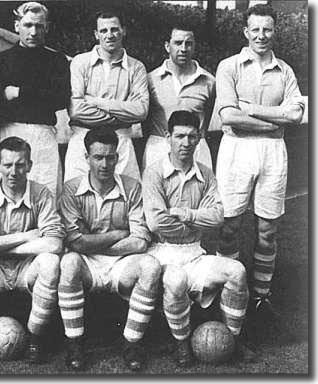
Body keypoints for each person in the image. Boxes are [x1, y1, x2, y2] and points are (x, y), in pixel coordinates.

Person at [214, 5, 304, 321]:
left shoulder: (286, 70)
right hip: (236, 150)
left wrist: (250, 109)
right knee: (230, 225)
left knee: (268, 229)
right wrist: (273, 119)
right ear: (246, 32)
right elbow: (228, 116)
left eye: (267, 29)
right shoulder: (229, 66)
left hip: (273, 152)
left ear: (274, 31)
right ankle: (228, 291)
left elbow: (296, 114)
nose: (261, 35)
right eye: (255, 29)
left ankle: (260, 299)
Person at [142, 110, 254, 366]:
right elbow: (156, 222)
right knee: (176, 280)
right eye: (179, 136)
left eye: (192, 136)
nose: (186, 142)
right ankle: (181, 344)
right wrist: (194, 222)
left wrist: (186, 215)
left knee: (236, 271)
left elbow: (217, 217)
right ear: (168, 137)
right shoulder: (153, 173)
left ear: (200, 138)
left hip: (194, 252)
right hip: (161, 252)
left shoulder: (205, 172)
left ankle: (232, 340)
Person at [58, 129, 161, 371]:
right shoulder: (72, 190)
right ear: (87, 157)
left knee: (150, 265)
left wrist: (94, 242)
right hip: (87, 263)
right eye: (98, 157)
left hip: (120, 264)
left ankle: (132, 343)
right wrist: (116, 234)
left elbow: (139, 242)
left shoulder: (132, 187)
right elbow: (75, 243)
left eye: (110, 157)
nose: (105, 164)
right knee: (69, 263)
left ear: (117, 157)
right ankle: (74, 343)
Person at [0, 136, 64, 364]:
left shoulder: (41, 193)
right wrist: (24, 237)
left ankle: (35, 339)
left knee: (50, 262)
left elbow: (55, 243)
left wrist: (2, 245)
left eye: (19, 164)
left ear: (29, 165)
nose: (13, 171)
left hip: (27, 268)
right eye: (7, 165)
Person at [0, 2, 70, 199]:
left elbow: (59, 99)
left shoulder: (57, 61)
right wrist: (40, 94)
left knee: (46, 193)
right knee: (6, 194)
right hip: (8, 132)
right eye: (28, 25)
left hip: (43, 136)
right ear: (17, 26)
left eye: (39, 26)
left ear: (46, 27)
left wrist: (18, 92)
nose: (33, 32)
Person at [65, 10, 148, 182]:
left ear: (123, 31)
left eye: (114, 29)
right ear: (96, 34)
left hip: (121, 143)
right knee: (77, 197)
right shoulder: (80, 62)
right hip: (82, 140)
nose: (109, 35)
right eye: (103, 31)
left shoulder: (136, 67)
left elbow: (141, 111)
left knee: (126, 197)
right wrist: (122, 114)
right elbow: (77, 110)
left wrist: (97, 102)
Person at [142, 24, 215, 170]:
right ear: (167, 46)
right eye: (178, 43)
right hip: (159, 147)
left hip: (196, 148)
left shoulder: (209, 81)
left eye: (188, 43)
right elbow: (144, 119)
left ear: (194, 47)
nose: (183, 48)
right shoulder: (151, 79)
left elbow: (209, 117)